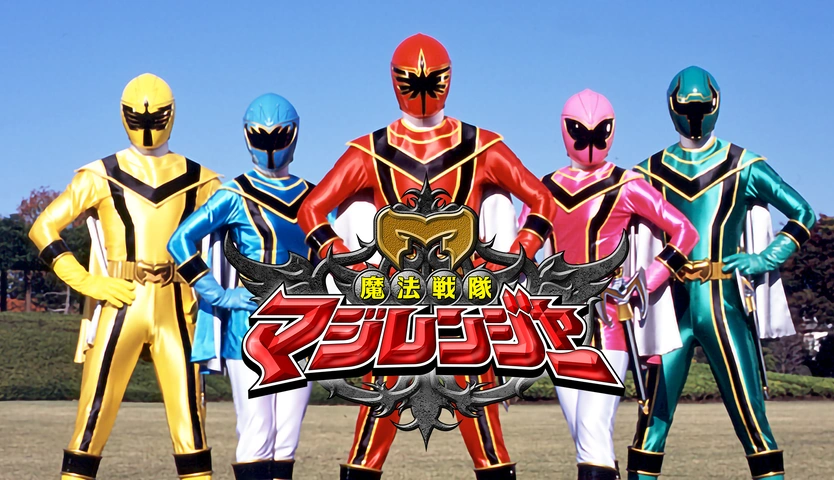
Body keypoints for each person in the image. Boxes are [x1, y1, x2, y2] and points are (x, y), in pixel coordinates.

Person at [296, 33, 557, 480]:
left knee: (476, 425)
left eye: (430, 80)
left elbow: (542, 201)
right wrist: (354, 268)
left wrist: (512, 258)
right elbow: (311, 210)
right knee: (381, 423)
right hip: (408, 302)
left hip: (456, 300)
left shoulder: (478, 146)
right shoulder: (376, 150)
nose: (421, 90)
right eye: (411, 81)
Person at [626, 66, 816, 480]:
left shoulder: (743, 165)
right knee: (650, 425)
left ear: (714, 105)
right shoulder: (646, 173)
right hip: (671, 307)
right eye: (687, 107)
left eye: (700, 106)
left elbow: (803, 213)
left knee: (753, 420)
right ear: (673, 108)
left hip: (723, 303)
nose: (693, 115)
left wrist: (765, 258)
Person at [29, 73, 220, 480]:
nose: (148, 126)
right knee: (91, 421)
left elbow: (236, 238)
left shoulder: (202, 180)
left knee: (191, 426)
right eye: (139, 118)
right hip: (123, 299)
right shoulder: (100, 175)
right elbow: (43, 228)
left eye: (156, 117)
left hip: (174, 303)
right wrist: (88, 281)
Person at [519, 89, 698, 480]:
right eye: (580, 131)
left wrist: (645, 281)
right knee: (585, 435)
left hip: (608, 322)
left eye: (599, 131)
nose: (589, 141)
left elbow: (684, 231)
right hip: (558, 325)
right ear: (565, 130)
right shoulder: (544, 188)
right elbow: (522, 251)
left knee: (591, 429)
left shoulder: (627, 184)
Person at [167, 93, 315, 480]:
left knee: (287, 437)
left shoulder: (314, 197)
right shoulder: (234, 194)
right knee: (256, 431)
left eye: (278, 136)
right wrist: (217, 293)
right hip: (250, 328)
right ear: (248, 136)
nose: (271, 146)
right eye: (262, 136)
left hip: (302, 327)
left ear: (293, 135)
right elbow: (180, 240)